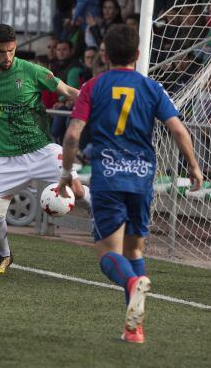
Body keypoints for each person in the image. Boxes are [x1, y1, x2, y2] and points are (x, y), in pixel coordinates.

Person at [58, 23, 202, 344]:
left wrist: (67, 172)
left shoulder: (93, 87)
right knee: (134, 249)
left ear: (105, 54)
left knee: (108, 255)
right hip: (142, 179)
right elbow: (178, 130)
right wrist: (192, 166)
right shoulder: (152, 88)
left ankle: (132, 283)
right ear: (137, 54)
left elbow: (71, 135)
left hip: (109, 178)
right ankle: (133, 329)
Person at [0, 23, 84, 275]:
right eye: (1, 52)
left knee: (78, 191)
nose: (7, 57)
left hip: (43, 150)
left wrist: (93, 99)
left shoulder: (31, 70)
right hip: (8, 160)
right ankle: (4, 254)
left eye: (11, 51)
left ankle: (120, 221)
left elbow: (65, 90)